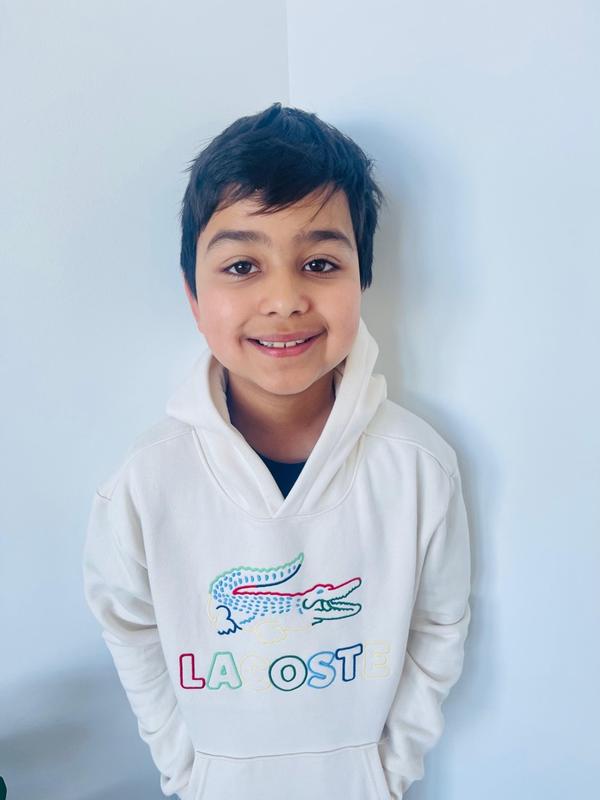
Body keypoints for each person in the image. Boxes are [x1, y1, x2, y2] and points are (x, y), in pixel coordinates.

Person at [82, 102, 471, 800]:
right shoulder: (144, 482)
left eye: (319, 263)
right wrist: (186, 767)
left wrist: (389, 769)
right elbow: (128, 623)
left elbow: (439, 623)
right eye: (242, 265)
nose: (285, 299)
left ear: (362, 280)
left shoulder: (419, 467)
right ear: (193, 295)